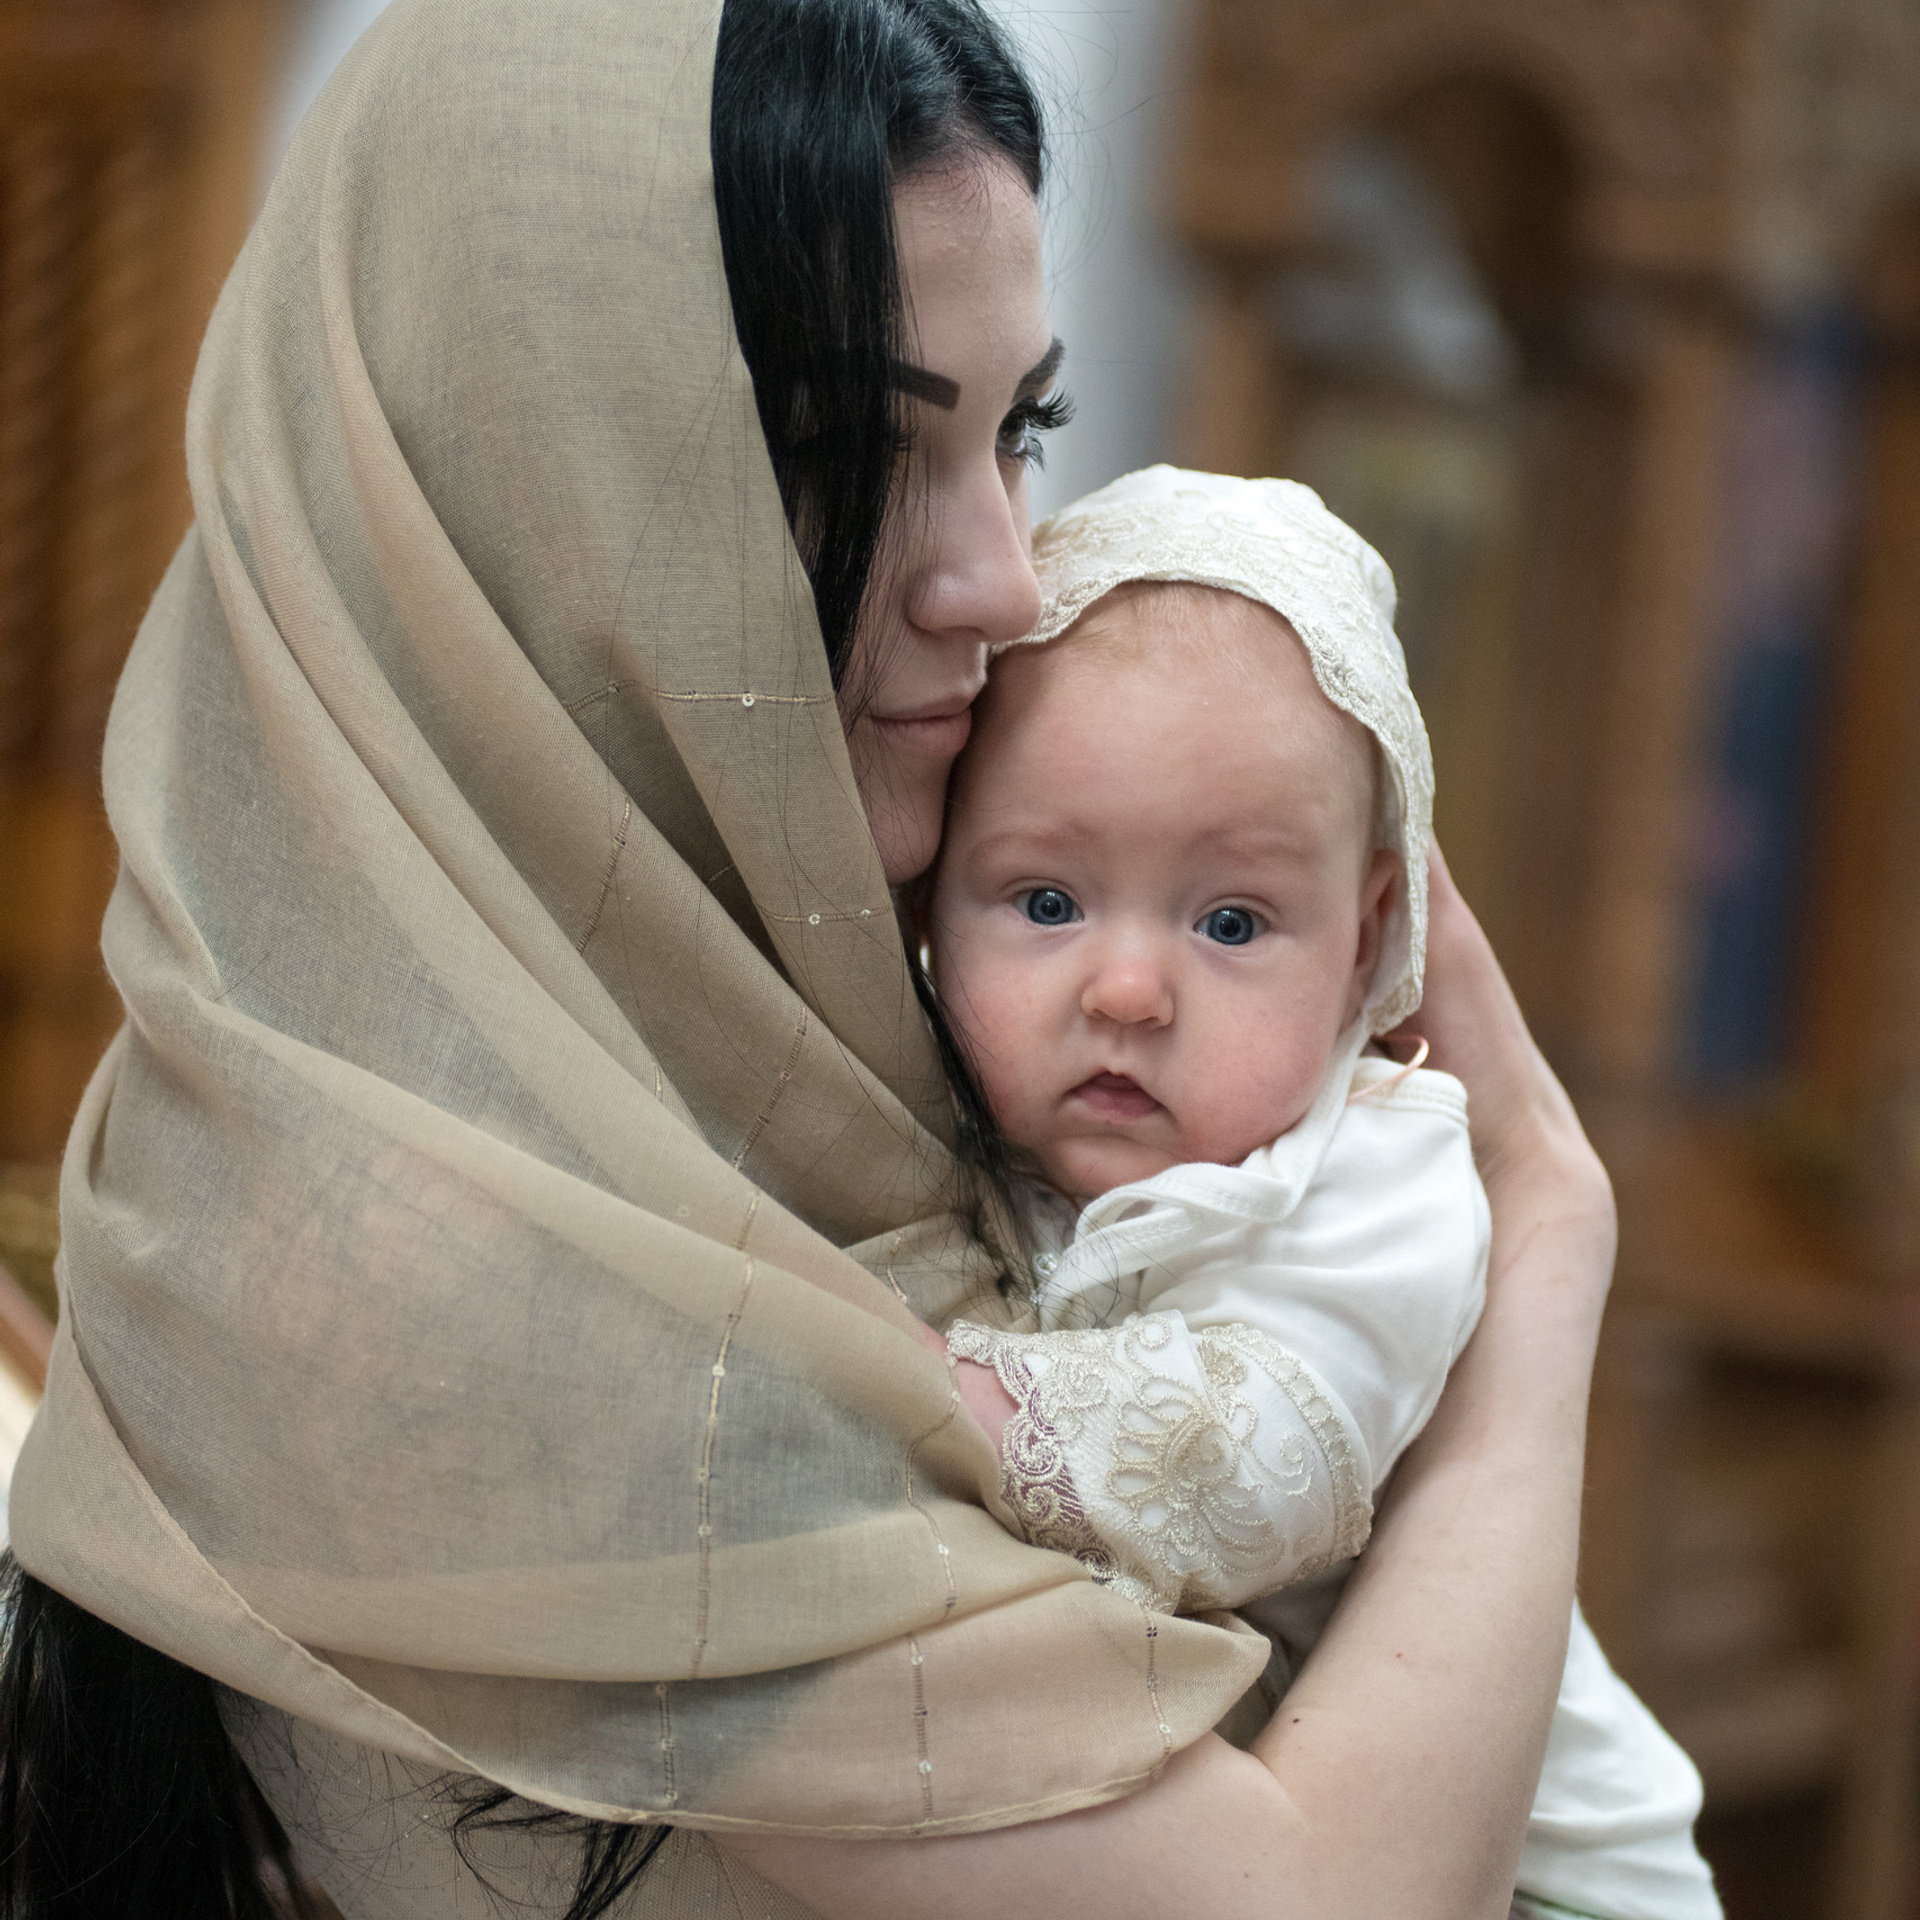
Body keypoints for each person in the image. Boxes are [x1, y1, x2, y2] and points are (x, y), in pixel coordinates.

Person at [0, 1, 1622, 1917]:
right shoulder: (453, 1257)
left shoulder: (796, 1093)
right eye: (859, 448)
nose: (1004, 580)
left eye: (1021, 432)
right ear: (537, 488)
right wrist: (1547, 1249)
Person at [923, 466, 1719, 1920]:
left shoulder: (1381, 1173)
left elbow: (1249, 1470)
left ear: (1367, 946)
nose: (1125, 988)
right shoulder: (946, 1121)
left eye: (1232, 922)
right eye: (1044, 900)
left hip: (1554, 1882)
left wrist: (919, 1395)